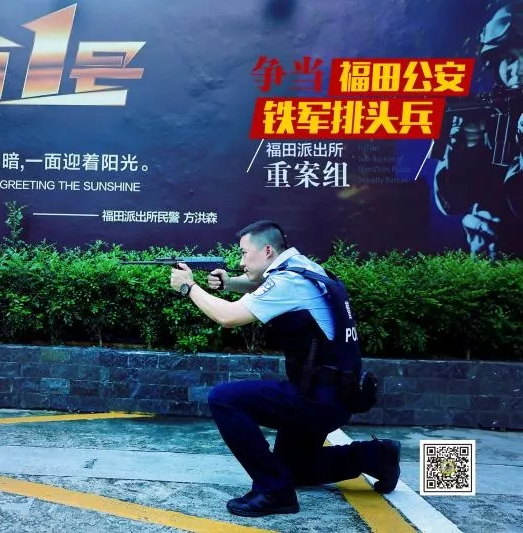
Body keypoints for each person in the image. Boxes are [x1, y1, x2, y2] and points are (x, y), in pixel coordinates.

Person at [168, 220, 401, 518]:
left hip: (315, 400)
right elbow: (265, 286)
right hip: (336, 395)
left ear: (267, 250)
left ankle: (273, 492)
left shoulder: (288, 282)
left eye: (244, 253)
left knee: (224, 399)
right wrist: (230, 283)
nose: (241, 262)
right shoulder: (304, 267)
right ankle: (377, 456)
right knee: (294, 469)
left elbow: (228, 317)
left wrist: (189, 287)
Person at [433, 1, 523, 258]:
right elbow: (452, 203)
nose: (518, 70)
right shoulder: (487, 115)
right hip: (491, 260)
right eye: (509, 59)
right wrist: (463, 150)